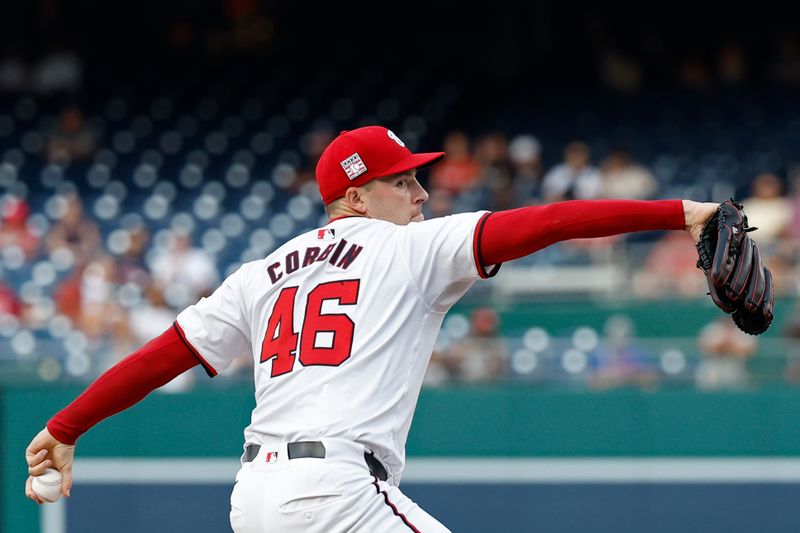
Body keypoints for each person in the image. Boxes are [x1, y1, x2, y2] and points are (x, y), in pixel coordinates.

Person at [25, 125, 719, 532]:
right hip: (334, 493)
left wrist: (64, 426)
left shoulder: (262, 272)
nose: (421, 194)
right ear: (354, 196)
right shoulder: (410, 248)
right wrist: (680, 212)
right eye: (401, 182)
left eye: (417, 179)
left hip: (254, 501)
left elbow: (162, 355)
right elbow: (545, 222)